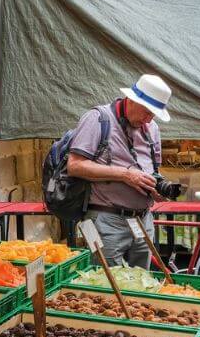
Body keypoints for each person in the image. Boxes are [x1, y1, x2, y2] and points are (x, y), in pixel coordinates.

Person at [67, 74, 170, 268]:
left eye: (153, 115)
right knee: (106, 288)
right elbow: (75, 165)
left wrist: (157, 188)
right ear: (131, 100)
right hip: (106, 220)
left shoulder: (152, 128)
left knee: (141, 284)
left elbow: (154, 169)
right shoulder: (98, 119)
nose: (148, 120)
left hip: (143, 221)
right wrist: (125, 175)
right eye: (147, 112)